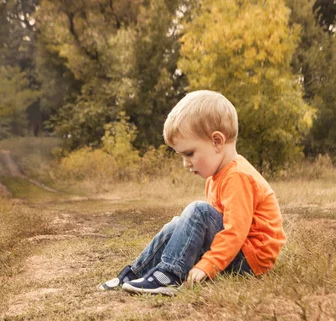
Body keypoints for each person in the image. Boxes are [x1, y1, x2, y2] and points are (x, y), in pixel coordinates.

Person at [99, 90, 286, 295]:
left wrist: (208, 264)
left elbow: (235, 232)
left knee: (199, 211)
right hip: (238, 252)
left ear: (217, 142)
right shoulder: (216, 177)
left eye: (189, 153)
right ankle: (134, 274)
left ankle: (169, 276)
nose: (185, 163)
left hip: (251, 259)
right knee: (178, 224)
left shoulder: (237, 176)